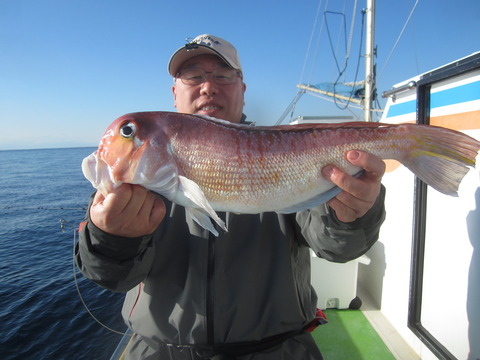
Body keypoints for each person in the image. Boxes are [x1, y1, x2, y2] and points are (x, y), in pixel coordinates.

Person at [76, 34, 386, 360]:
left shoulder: (290, 156)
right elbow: (110, 277)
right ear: (174, 93)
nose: (208, 87)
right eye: (193, 76)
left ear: (243, 88)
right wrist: (111, 239)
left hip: (279, 351)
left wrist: (354, 216)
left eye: (222, 75)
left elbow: (336, 248)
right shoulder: (136, 176)